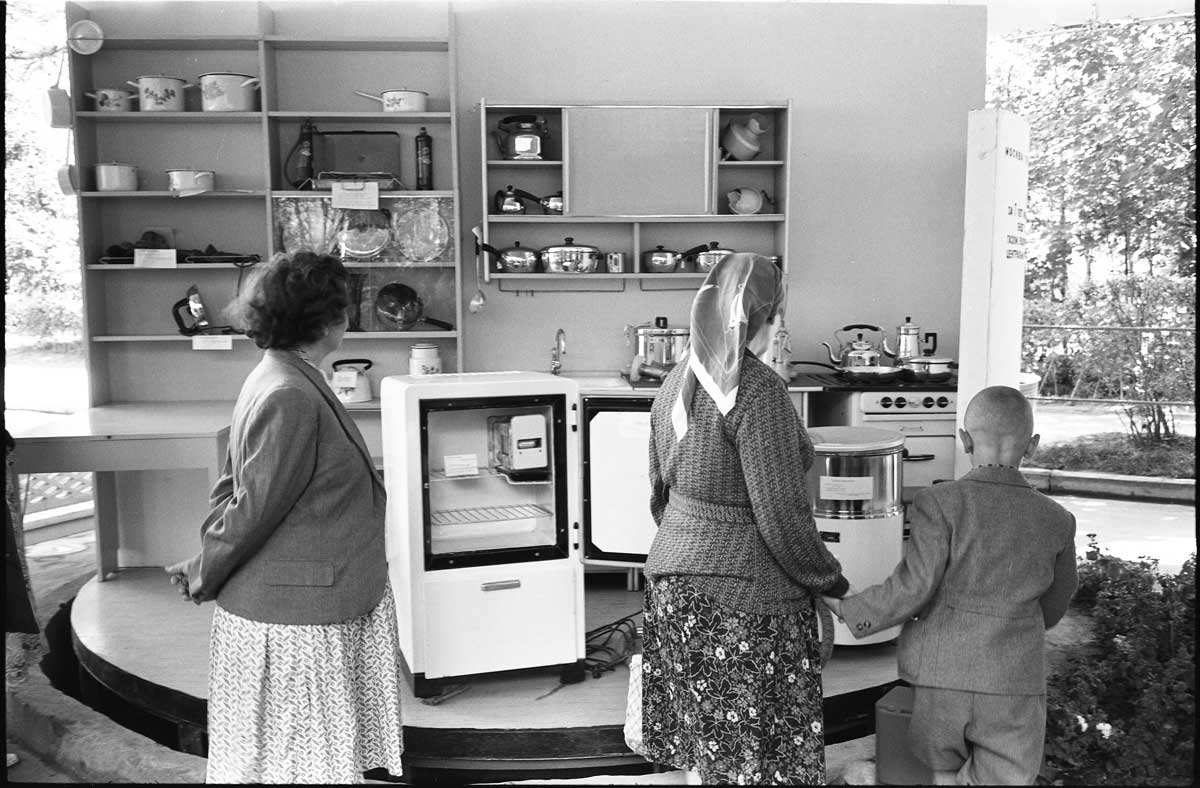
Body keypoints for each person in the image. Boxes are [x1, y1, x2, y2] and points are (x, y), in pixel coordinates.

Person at [165, 251, 403, 784]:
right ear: (326, 320)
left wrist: (204, 558)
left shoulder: (282, 374)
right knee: (306, 770)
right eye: (345, 307)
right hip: (298, 617)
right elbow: (253, 507)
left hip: (302, 601)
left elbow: (242, 490)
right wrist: (206, 569)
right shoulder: (292, 392)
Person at [639, 252, 852, 785]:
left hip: (673, 592)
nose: (784, 327)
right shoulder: (758, 392)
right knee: (755, 758)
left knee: (709, 754)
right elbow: (782, 515)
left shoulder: (673, 383)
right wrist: (828, 581)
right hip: (744, 604)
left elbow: (660, 494)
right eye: (780, 314)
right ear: (764, 318)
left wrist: (690, 548)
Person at [823, 385, 1077, 785]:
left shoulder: (939, 503)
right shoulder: (1057, 521)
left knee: (939, 772)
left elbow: (912, 588)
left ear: (964, 440)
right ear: (1033, 444)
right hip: (1012, 683)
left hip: (940, 681)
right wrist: (1011, 630)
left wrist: (849, 608)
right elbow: (1055, 606)